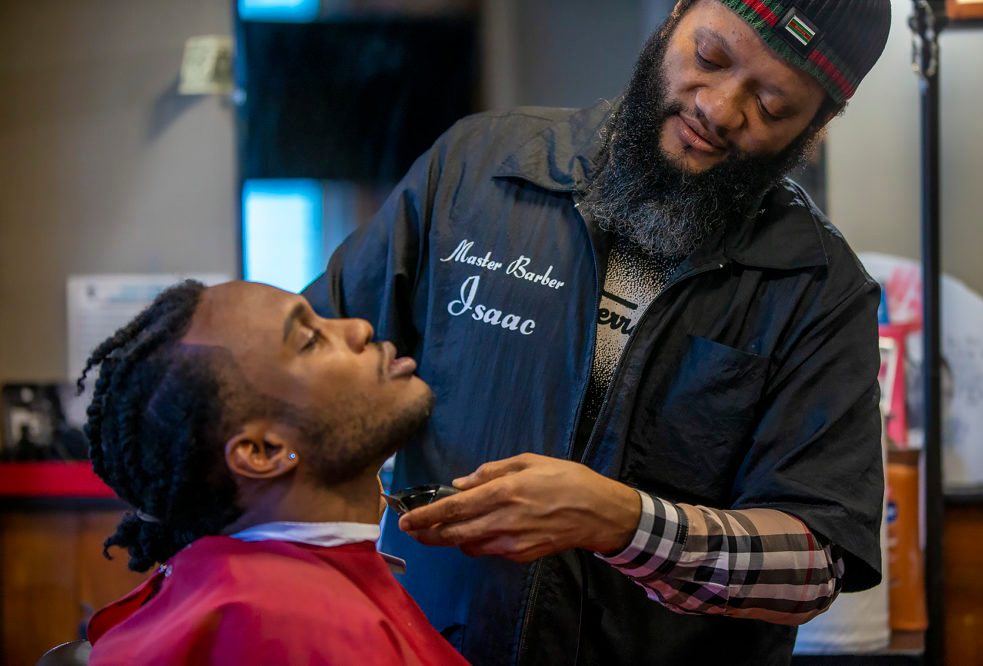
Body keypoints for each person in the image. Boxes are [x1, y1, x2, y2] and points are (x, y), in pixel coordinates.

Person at [304, 1, 892, 664]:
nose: (721, 109)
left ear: (817, 127)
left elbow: (814, 564)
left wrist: (622, 523)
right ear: (673, 17)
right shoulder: (480, 170)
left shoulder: (816, 288)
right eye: (711, 59)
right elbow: (305, 372)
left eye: (773, 104)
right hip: (429, 646)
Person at [81, 280, 467, 666]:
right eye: (309, 341)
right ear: (264, 452)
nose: (359, 328)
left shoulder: (256, 594)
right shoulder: (299, 631)